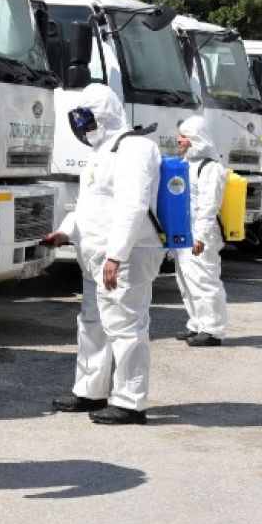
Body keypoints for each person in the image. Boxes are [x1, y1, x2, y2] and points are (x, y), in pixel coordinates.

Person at [41, 83, 165, 425]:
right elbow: (90, 204)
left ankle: (130, 402)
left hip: (126, 256)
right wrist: (65, 231)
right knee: (93, 324)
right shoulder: (102, 152)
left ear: (104, 115)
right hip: (95, 256)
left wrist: (116, 255)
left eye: (86, 118)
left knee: (126, 326)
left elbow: (133, 204)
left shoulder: (135, 148)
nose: (82, 126)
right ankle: (90, 391)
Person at [172, 116, 229, 347]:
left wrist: (201, 236)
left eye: (184, 136)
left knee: (204, 280)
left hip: (201, 234)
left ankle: (213, 330)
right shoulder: (185, 164)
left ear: (196, 138)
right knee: (186, 281)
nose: (179, 140)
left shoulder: (211, 168)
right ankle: (196, 324)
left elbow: (209, 205)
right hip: (184, 233)